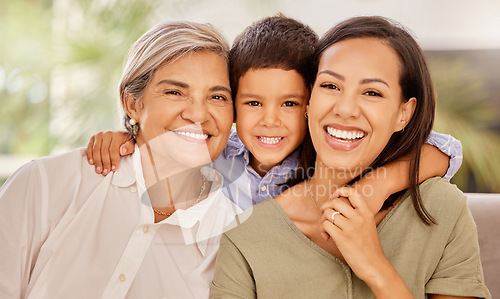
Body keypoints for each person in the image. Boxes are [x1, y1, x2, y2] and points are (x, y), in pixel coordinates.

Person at [207, 16, 493, 299]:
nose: (346, 109)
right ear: (309, 99)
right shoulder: (247, 233)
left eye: (372, 92)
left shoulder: (442, 210)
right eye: (330, 86)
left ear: (404, 113)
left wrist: (375, 267)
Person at [0, 21, 241, 299]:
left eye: (217, 97)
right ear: (133, 103)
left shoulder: (233, 243)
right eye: (174, 91)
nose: (198, 114)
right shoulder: (44, 185)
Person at [86, 15, 462, 214]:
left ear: (313, 103)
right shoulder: (218, 154)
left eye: (290, 103)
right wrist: (129, 137)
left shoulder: (331, 157)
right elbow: (169, 147)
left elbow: (445, 149)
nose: (270, 121)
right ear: (231, 106)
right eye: (252, 103)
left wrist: (380, 185)